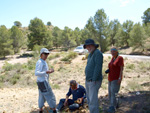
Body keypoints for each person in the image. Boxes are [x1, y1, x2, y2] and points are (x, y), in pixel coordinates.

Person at [84, 39, 103, 113]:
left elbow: (98, 67)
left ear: (94, 46)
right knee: (89, 99)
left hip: (93, 81)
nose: (88, 47)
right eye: (86, 46)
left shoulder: (97, 53)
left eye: (90, 45)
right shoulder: (90, 54)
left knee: (93, 101)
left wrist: (94, 79)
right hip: (88, 80)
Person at [35, 48, 57, 113]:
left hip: (40, 82)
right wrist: (47, 72)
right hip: (43, 82)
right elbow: (36, 73)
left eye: (47, 54)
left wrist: (48, 71)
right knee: (50, 95)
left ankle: (40, 110)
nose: (46, 55)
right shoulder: (40, 62)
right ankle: (54, 110)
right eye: (45, 54)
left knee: (41, 95)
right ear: (41, 54)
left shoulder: (42, 61)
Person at [107, 47, 124, 113]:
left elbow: (121, 69)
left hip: (116, 78)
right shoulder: (112, 58)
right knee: (110, 93)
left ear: (117, 52)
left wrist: (120, 78)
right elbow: (112, 66)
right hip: (110, 78)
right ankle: (116, 104)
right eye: (111, 51)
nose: (112, 53)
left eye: (114, 51)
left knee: (114, 93)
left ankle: (112, 108)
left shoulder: (120, 58)